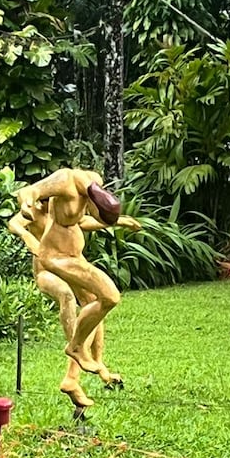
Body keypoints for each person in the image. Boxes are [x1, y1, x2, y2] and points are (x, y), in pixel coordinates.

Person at [9, 169, 140, 407]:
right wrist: (26, 213)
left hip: (73, 260)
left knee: (97, 306)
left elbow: (84, 220)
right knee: (70, 296)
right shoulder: (63, 181)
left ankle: (81, 371)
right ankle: (76, 346)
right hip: (51, 264)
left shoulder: (92, 185)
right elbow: (27, 194)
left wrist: (118, 221)